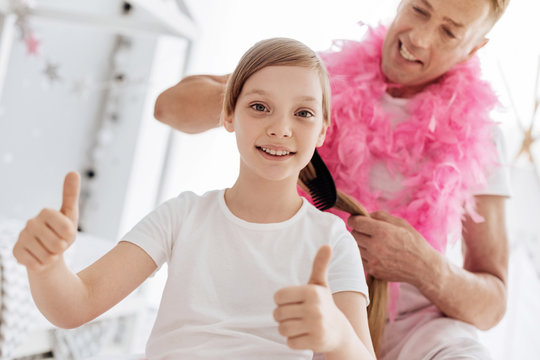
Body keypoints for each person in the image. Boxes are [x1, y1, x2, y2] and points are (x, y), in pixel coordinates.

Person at [153, 0, 511, 359]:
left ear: (474, 47)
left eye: (449, 32)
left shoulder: (482, 135)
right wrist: (275, 100)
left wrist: (426, 267)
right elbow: (168, 107)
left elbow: (491, 306)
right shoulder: (320, 82)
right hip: (305, 309)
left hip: (420, 333)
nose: (418, 37)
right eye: (419, 9)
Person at [13, 38, 376, 360]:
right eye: (260, 107)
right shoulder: (182, 216)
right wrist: (46, 267)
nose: (281, 128)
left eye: (303, 113)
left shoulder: (332, 241)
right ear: (229, 114)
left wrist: (338, 334)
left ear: (322, 131)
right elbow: (75, 305)